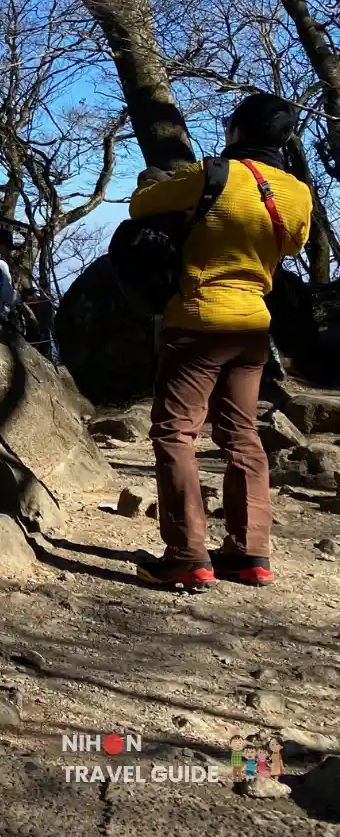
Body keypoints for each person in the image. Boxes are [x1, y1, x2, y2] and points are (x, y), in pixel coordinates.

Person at [131, 91, 312, 588]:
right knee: (241, 433)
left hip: (196, 320)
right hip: (253, 324)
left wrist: (157, 183)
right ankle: (251, 553)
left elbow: (141, 205)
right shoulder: (298, 192)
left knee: (175, 432)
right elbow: (294, 242)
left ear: (238, 131)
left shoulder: (210, 174)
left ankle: (187, 555)